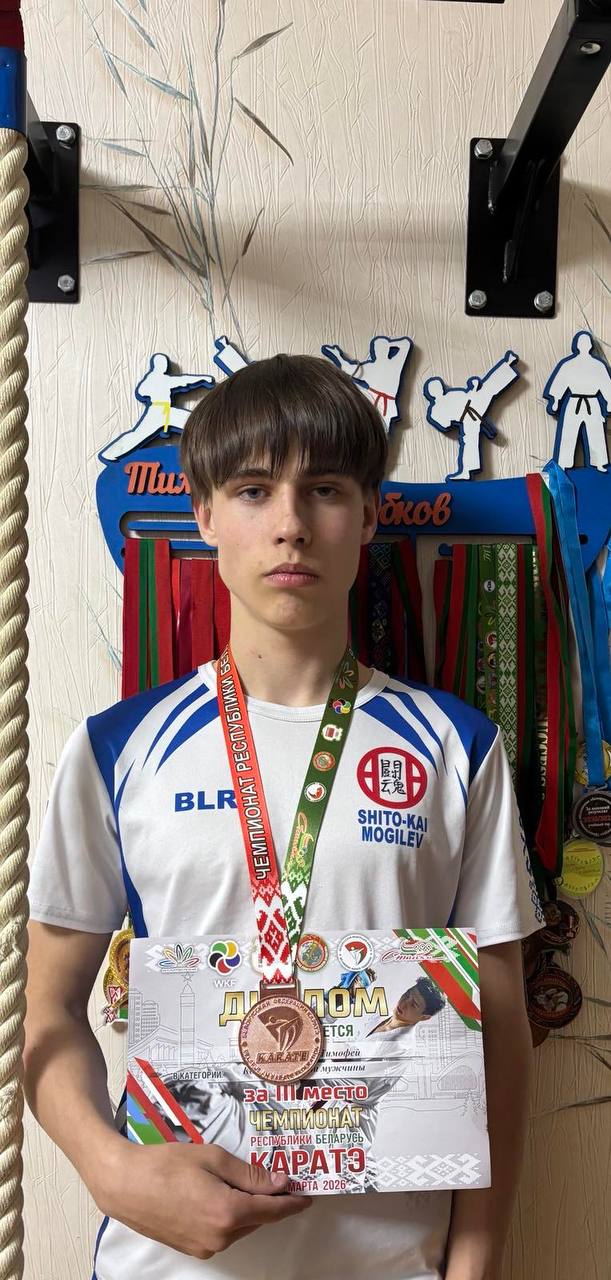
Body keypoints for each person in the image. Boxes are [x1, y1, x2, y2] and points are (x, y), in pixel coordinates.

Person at [25, 353, 543, 1280]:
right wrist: (111, 1172)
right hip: (166, 1266)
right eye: (254, 490)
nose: (291, 525)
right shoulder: (118, 746)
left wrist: (473, 1265)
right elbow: (44, 1008)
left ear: (370, 515)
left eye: (326, 490)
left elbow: (498, 1027)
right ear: (204, 515)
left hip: (395, 1264)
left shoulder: (455, 746)